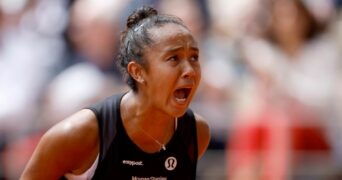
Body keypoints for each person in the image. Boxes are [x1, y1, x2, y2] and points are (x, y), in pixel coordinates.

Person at [20, 6, 210, 180]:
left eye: (194, 57)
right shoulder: (79, 134)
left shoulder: (196, 133)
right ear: (138, 72)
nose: (190, 70)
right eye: (173, 58)